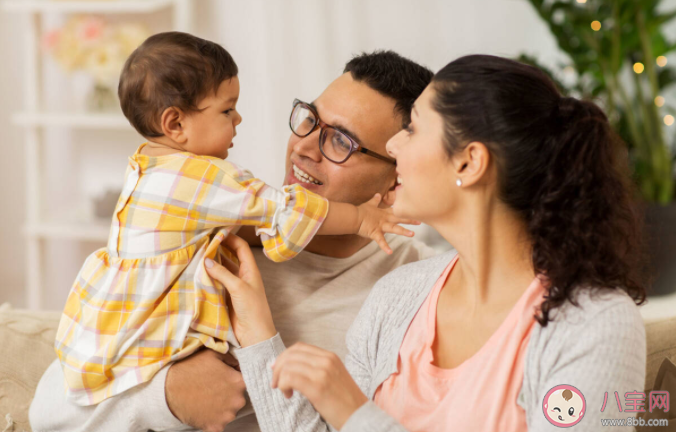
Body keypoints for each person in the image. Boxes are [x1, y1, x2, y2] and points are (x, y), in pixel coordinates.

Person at [205, 55, 648, 432]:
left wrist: (355, 413)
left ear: (470, 162)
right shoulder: (399, 297)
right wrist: (259, 335)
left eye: (413, 129)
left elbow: (355, 420)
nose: (395, 146)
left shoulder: (598, 325)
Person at [29, 50, 436, 431]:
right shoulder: (206, 237)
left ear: (395, 180)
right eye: (310, 119)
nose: (304, 146)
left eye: (340, 141)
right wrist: (166, 395)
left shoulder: (420, 289)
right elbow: (48, 407)